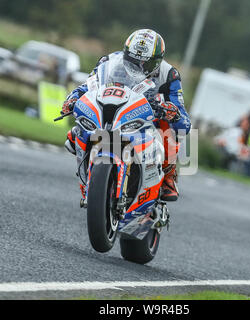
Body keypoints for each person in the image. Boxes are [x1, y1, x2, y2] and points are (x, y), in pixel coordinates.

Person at [61, 29, 191, 201]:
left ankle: (168, 175)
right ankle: (81, 142)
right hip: (115, 109)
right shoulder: (108, 61)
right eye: (133, 60)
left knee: (170, 131)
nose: (138, 67)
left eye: (145, 63)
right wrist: (73, 98)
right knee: (81, 122)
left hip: (148, 118)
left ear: (157, 61)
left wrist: (172, 113)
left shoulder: (169, 74)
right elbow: (87, 85)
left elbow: (183, 120)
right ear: (126, 53)